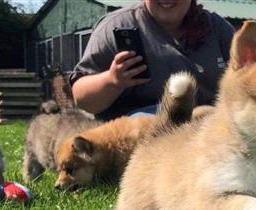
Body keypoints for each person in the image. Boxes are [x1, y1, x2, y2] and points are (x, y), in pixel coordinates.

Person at [70, 0, 234, 120]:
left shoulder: (217, 28)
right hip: (141, 142)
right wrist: (112, 81)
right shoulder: (115, 26)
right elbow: (82, 98)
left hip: (209, 130)